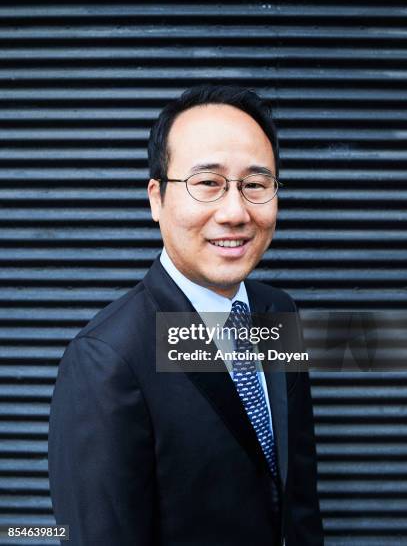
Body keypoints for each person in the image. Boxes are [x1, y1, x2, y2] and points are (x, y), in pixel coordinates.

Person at [48, 85, 324, 546]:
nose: (235, 212)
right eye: (207, 183)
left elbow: (297, 494)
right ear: (156, 199)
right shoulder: (108, 359)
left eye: (255, 184)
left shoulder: (278, 310)